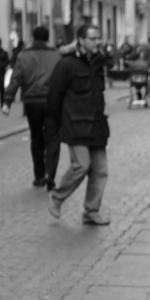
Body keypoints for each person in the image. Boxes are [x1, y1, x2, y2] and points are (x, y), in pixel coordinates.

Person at [46, 24, 110, 225]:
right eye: (92, 38)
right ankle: (57, 197)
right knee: (81, 166)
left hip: (96, 125)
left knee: (100, 170)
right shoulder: (67, 64)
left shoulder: (97, 63)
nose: (97, 41)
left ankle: (91, 211)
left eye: (98, 38)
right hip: (75, 124)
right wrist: (58, 124)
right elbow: (54, 95)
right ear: (81, 40)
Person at [2, 25, 61, 189]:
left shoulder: (23, 56)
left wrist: (7, 101)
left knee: (36, 138)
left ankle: (39, 175)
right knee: (53, 138)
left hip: (32, 102)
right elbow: (63, 78)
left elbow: (16, 79)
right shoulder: (56, 55)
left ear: (33, 38)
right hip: (51, 101)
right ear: (48, 38)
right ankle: (51, 173)